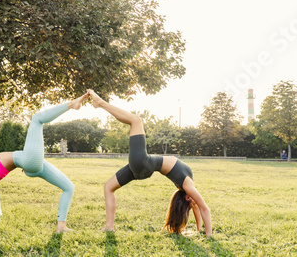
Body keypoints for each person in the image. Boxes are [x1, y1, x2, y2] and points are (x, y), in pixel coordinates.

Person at [87, 89, 212, 237]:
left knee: (136, 120)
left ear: (187, 197)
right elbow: (197, 207)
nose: (195, 202)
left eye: (192, 202)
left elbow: (204, 209)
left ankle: (100, 103)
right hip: (142, 168)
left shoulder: (187, 186)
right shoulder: (187, 189)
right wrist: (198, 230)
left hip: (143, 163)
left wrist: (208, 235)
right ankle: (109, 226)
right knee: (108, 187)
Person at [0, 93, 89, 233]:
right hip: (29, 160)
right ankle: (71, 105)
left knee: (69, 187)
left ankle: (61, 227)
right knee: (37, 119)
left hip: (30, 165)